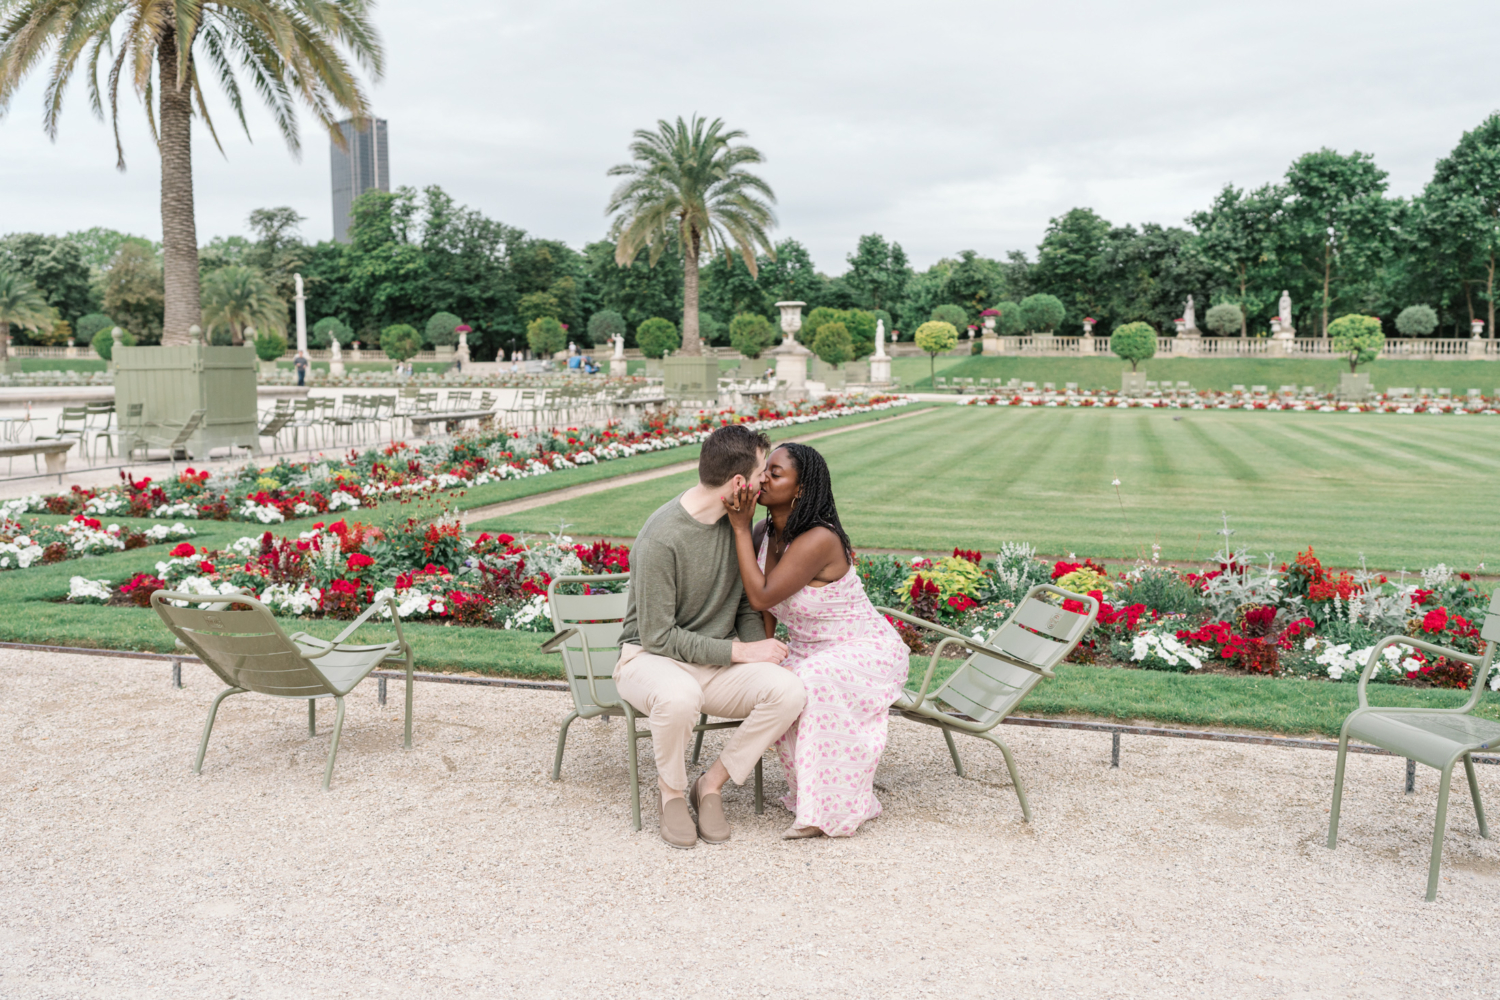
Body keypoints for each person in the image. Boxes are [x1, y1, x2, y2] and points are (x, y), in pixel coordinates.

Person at [615, 425, 806, 849]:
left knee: (789, 690)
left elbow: (740, 605)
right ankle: (672, 793)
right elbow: (658, 636)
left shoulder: (736, 522)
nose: (765, 483)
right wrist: (741, 650)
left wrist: (758, 653)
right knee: (679, 696)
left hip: (713, 665)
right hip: (649, 660)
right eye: (762, 474)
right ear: (739, 483)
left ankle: (712, 783)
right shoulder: (661, 537)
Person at [721, 443, 909, 839]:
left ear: (801, 489)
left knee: (811, 682)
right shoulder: (764, 531)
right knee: (783, 683)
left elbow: (762, 595)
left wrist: (738, 527)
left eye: (776, 473)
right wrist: (762, 656)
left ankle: (829, 811)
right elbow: (766, 612)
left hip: (864, 648)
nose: (764, 479)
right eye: (765, 470)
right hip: (810, 649)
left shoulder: (819, 539)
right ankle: (811, 795)